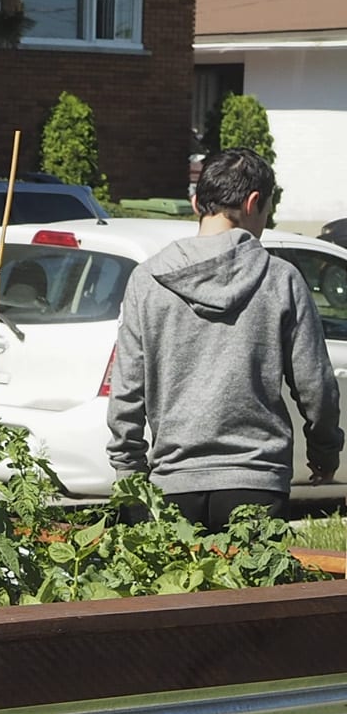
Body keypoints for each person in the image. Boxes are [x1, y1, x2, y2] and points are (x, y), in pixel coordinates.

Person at [105, 144, 339, 529]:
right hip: (258, 481)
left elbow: (127, 388)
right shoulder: (281, 280)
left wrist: (128, 472)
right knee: (251, 589)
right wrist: (325, 450)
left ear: (197, 203)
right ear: (253, 203)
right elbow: (316, 387)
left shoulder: (146, 280)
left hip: (171, 484)